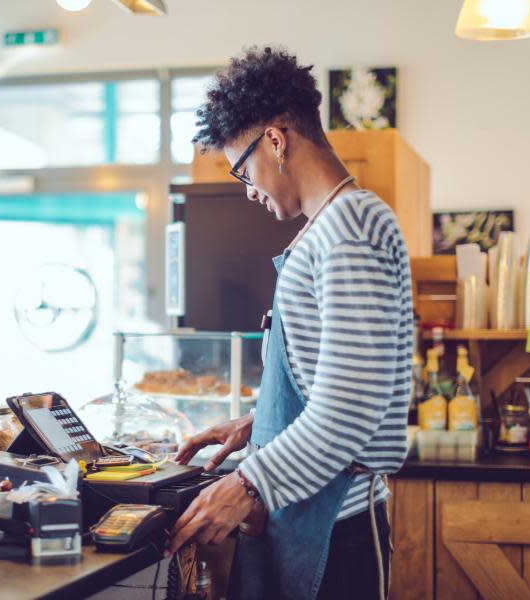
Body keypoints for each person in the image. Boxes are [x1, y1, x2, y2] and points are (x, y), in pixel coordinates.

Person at [163, 46, 414, 600]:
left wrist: (247, 484)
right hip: (307, 514)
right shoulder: (330, 228)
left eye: (242, 168)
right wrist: (261, 422)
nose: (247, 189)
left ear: (276, 141)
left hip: (335, 528)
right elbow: (334, 377)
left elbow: (348, 411)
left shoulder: (348, 228)